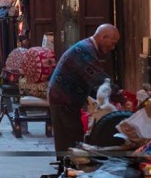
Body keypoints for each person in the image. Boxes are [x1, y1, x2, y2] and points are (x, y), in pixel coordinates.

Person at [47, 23, 121, 154]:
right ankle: (68, 171)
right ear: (104, 37)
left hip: (65, 97)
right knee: (70, 139)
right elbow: (98, 77)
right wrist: (120, 95)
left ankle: (68, 168)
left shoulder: (88, 47)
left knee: (70, 137)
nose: (113, 47)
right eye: (113, 43)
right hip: (63, 98)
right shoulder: (85, 51)